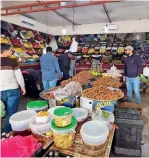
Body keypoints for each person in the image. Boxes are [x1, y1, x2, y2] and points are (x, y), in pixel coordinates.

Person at [0, 43, 26, 132]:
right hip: (12, 90)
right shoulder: (12, 61)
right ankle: (7, 132)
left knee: (1, 112)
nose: (12, 52)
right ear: (5, 51)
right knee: (10, 113)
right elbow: (19, 77)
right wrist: (23, 87)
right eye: (11, 50)